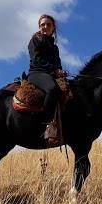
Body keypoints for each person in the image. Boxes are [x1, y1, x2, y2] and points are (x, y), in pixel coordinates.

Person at [27, 14, 67, 146]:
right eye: (42, 24)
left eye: (48, 24)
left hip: (51, 75)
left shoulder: (55, 48)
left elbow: (58, 63)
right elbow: (37, 60)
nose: (45, 27)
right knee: (52, 89)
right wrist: (54, 70)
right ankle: (46, 124)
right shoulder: (35, 40)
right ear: (39, 27)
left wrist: (61, 72)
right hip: (37, 73)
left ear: (53, 28)